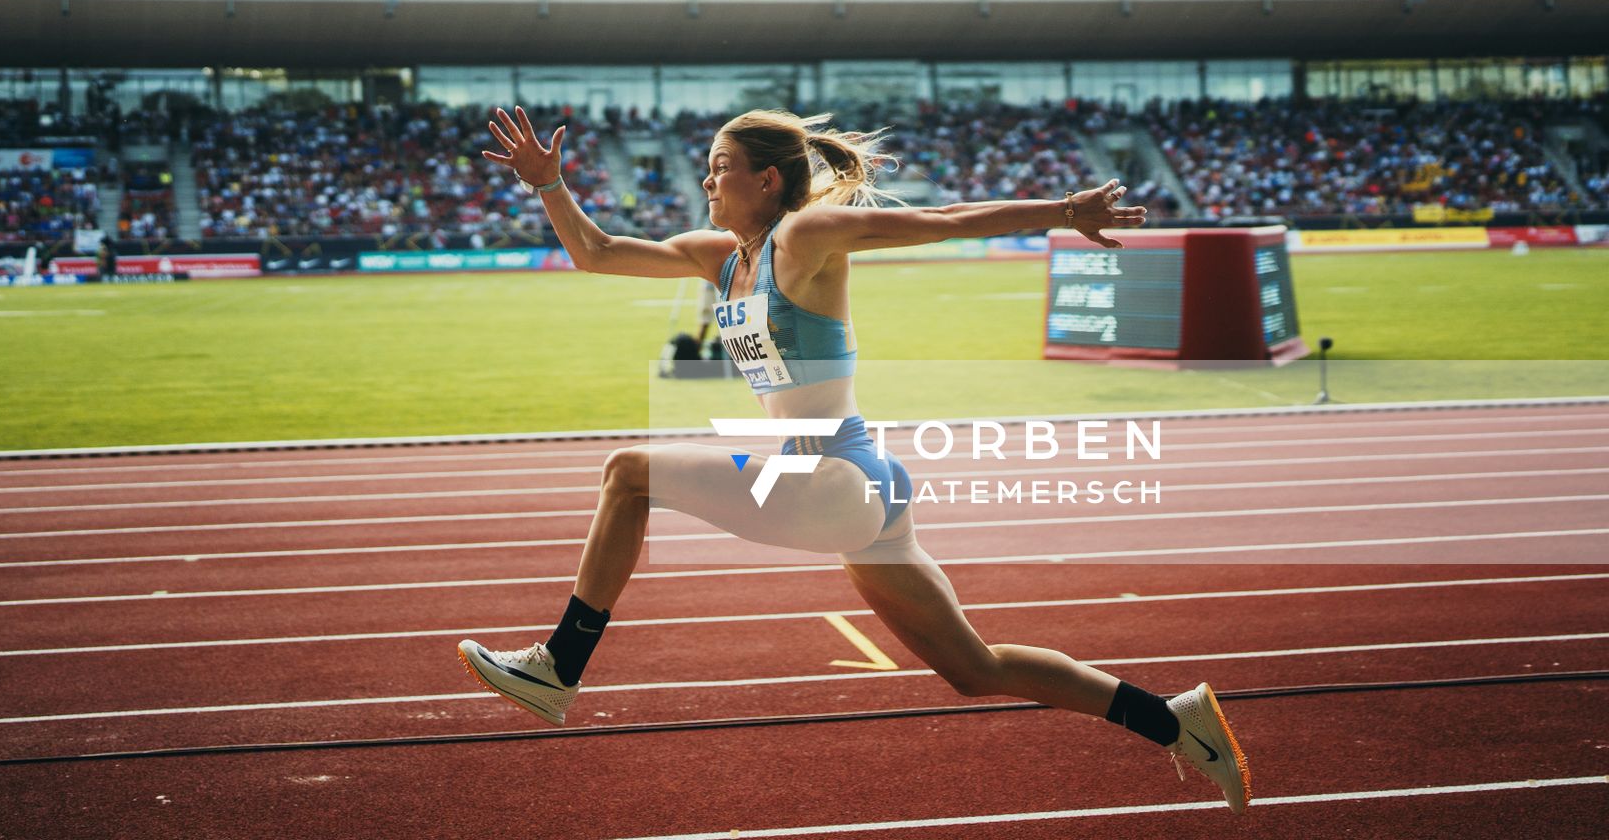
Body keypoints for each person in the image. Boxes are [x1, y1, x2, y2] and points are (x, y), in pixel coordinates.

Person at [458, 106, 1251, 813]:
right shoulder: (721, 256)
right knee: (976, 668)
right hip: (858, 485)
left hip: (838, 476)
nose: (706, 178)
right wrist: (549, 184)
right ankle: (1175, 721)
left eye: (721, 166)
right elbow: (596, 252)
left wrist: (1062, 210)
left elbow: (944, 221)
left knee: (629, 473)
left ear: (768, 180)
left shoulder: (803, 237)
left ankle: (559, 665)